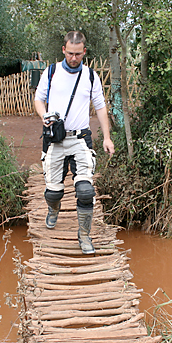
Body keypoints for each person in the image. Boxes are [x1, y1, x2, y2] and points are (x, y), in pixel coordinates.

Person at [34, 31, 115, 255]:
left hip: (81, 139)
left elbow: (100, 107)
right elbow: (39, 99)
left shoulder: (91, 76)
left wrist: (106, 137)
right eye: (70, 53)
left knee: (86, 191)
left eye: (78, 54)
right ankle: (53, 209)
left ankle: (85, 236)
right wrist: (45, 116)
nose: (73, 58)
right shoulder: (51, 72)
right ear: (63, 50)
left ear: (84, 52)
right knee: (53, 193)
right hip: (55, 138)